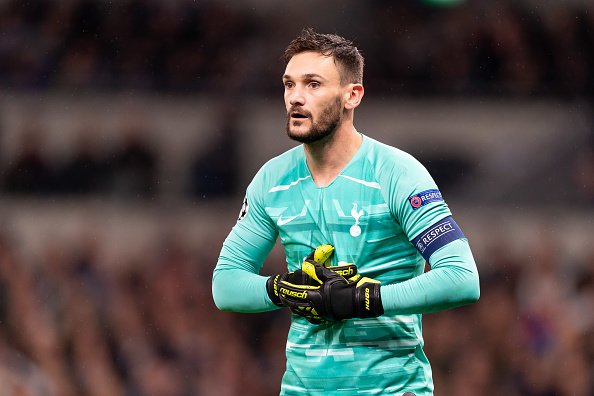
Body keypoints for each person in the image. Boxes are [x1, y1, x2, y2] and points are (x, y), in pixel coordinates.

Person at [212, 28, 480, 396]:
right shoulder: (272, 180)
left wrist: (366, 299)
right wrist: (283, 290)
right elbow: (225, 285)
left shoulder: (397, 174)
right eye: (289, 85)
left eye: (313, 85)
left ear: (352, 95)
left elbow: (461, 278)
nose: (296, 98)